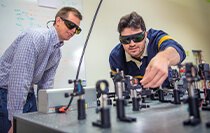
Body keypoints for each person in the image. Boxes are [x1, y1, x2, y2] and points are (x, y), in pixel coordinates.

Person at [0, 7, 82, 133]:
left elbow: (46, 84)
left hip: (28, 94)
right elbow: (19, 80)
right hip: (6, 95)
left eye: (77, 29)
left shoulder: (57, 52)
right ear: (58, 20)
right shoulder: (35, 38)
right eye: (71, 25)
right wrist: (14, 119)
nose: (73, 31)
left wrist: (49, 110)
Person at [109, 12, 186, 89]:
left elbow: (178, 50)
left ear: (145, 35)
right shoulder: (115, 57)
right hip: (136, 97)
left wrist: (164, 57)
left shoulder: (156, 38)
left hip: (166, 91)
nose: (132, 44)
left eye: (137, 38)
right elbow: (120, 89)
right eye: (126, 40)